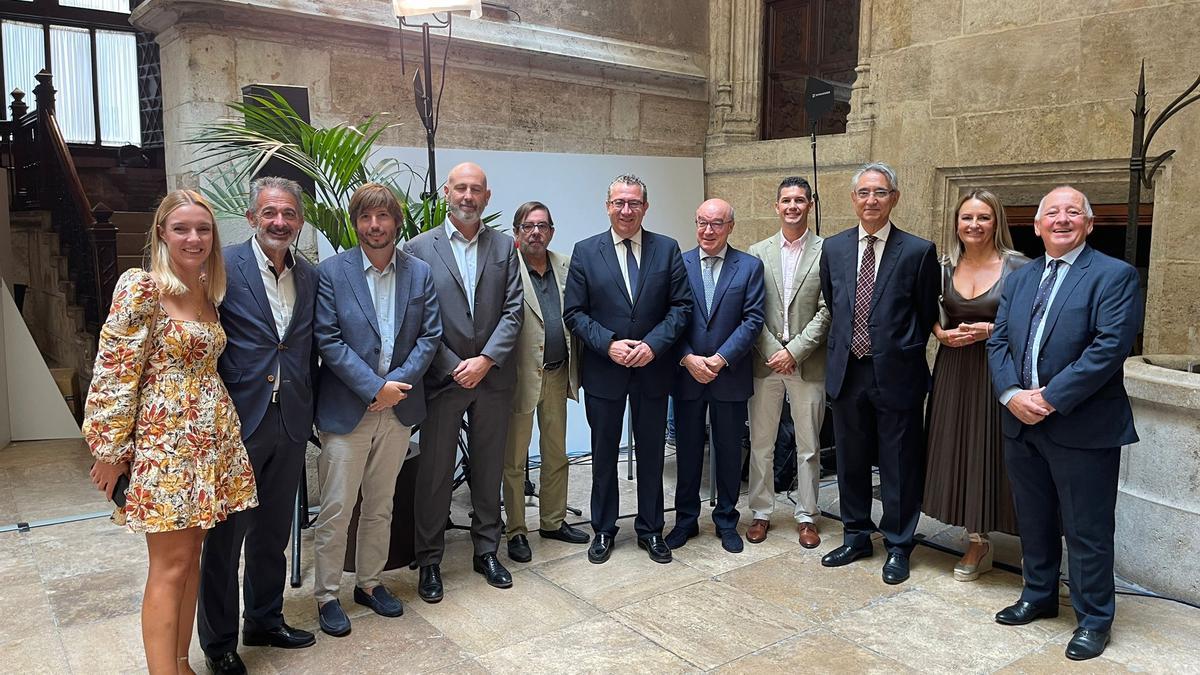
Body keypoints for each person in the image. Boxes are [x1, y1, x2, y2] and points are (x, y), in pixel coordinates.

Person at [84, 190, 258, 675]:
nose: (194, 237)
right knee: (169, 566)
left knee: (192, 558)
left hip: (209, 441)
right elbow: (115, 370)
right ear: (161, 232)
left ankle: (180, 663)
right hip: (167, 443)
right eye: (181, 228)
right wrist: (109, 449)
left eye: (203, 229)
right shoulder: (142, 286)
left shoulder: (206, 288)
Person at [988, 186, 1142, 661]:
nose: (1061, 219)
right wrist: (1012, 395)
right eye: (1051, 213)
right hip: (1021, 422)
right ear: (1036, 226)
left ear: (1089, 225)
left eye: (1073, 212)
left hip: (1082, 427)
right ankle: (1038, 595)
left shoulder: (1115, 276)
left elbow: (1109, 347)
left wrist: (1049, 399)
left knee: (1087, 528)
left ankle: (1094, 618)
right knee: (1033, 519)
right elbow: (998, 343)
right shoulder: (1019, 278)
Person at [197, 177, 318, 674]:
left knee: (272, 532)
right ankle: (219, 642)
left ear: (299, 222)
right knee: (226, 538)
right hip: (237, 422)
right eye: (270, 213)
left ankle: (264, 619)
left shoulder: (308, 275)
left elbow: (305, 346)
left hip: (289, 420)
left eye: (289, 214)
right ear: (251, 218)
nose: (279, 222)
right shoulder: (221, 266)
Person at [311, 183, 441, 636]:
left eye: (383, 217)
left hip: (399, 408)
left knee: (381, 504)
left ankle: (369, 583)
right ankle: (327, 594)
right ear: (356, 222)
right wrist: (374, 387)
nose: (375, 226)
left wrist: (394, 388)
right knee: (337, 507)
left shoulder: (419, 272)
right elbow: (327, 339)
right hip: (349, 409)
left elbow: (430, 336)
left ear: (396, 221)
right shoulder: (331, 272)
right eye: (366, 218)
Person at [404, 162, 523, 600]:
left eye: (476, 190)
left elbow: (514, 311)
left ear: (487, 197)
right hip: (443, 378)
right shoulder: (418, 248)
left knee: (489, 465)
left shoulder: (504, 248)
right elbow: (416, 318)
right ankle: (430, 559)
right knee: (434, 472)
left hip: (492, 378)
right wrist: (456, 364)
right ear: (446, 193)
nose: (468, 196)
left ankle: (487, 549)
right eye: (460, 188)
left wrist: (486, 360)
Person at [818, 162, 940, 585]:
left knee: (899, 463)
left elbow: (925, 313)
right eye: (864, 193)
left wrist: (895, 345)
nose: (872, 200)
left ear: (895, 198)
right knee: (849, 459)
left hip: (897, 374)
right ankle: (855, 535)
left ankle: (899, 545)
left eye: (880, 193)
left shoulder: (918, 250)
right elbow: (836, 304)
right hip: (847, 371)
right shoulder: (832, 248)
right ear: (853, 199)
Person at [563, 174, 692, 565]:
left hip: (652, 370)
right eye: (619, 202)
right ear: (607, 206)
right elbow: (574, 313)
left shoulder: (667, 249)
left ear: (645, 207)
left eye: (634, 203)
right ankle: (603, 529)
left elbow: (681, 307)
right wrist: (609, 344)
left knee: (653, 454)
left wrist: (653, 345)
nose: (626, 209)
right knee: (603, 455)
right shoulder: (586, 252)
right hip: (606, 371)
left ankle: (651, 529)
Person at [923, 189, 1030, 582]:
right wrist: (940, 332)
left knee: (998, 451)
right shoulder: (942, 266)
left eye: (983, 217)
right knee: (958, 448)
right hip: (954, 368)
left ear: (997, 221)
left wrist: (992, 329)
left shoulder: (1020, 268)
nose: (974, 225)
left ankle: (1029, 540)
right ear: (956, 222)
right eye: (967, 217)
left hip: (998, 370)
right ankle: (977, 539)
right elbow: (927, 313)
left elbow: (1036, 323)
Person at [667, 198, 764, 553]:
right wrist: (688, 358)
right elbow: (669, 318)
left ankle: (726, 520)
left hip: (730, 375)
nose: (708, 231)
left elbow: (753, 320)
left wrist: (721, 359)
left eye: (717, 224)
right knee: (688, 451)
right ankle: (686, 520)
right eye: (702, 223)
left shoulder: (750, 266)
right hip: (687, 374)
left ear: (730, 227)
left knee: (727, 451)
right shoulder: (678, 264)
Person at [502, 201, 590, 564]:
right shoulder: (506, 268)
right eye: (528, 226)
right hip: (521, 377)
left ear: (551, 231)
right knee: (514, 460)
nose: (535, 232)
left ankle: (553, 521)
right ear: (517, 232)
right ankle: (517, 531)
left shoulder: (566, 265)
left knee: (557, 454)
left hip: (557, 373)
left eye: (542, 226)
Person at [746, 176, 830, 548]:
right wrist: (772, 351)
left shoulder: (828, 251)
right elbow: (750, 308)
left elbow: (828, 310)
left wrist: (794, 350)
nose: (792, 206)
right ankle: (761, 513)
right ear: (776, 206)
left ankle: (808, 516)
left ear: (810, 204)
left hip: (808, 363)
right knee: (761, 443)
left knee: (808, 446)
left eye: (800, 200)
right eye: (786, 200)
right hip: (765, 364)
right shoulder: (757, 251)